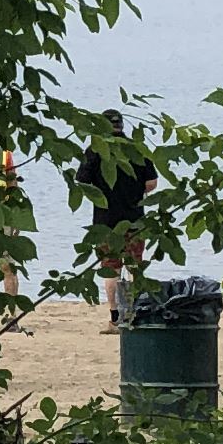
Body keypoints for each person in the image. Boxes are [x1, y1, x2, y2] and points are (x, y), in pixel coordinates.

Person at [73, 114, 161, 326]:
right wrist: (135, 190)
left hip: (105, 220)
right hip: (135, 218)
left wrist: (102, 191)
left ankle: (114, 317)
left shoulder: (95, 150)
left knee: (110, 268)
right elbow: (152, 183)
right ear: (122, 126)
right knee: (134, 266)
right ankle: (134, 313)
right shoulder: (137, 148)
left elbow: (81, 181)